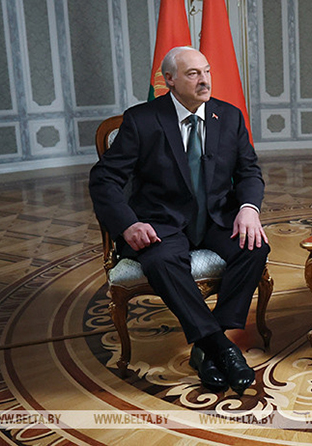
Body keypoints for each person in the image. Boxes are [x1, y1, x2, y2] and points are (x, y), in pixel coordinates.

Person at [89, 46, 270, 396]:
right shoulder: (142, 120)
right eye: (193, 73)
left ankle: (207, 345)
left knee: (255, 247)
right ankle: (223, 348)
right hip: (161, 222)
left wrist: (249, 208)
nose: (204, 80)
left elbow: (249, 171)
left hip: (217, 218)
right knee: (160, 260)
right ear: (169, 80)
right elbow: (104, 180)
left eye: (206, 71)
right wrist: (128, 224)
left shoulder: (228, 116)